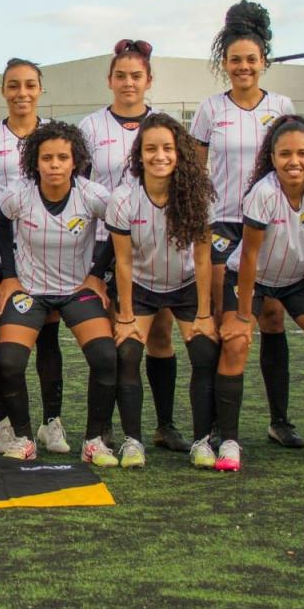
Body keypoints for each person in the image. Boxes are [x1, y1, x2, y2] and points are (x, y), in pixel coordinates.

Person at [216, 115, 304, 471]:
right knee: (236, 343)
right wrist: (243, 315)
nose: (293, 161)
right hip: (251, 277)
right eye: (284, 154)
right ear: (272, 157)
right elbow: (249, 255)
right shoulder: (263, 193)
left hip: (300, 278)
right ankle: (228, 441)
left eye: (302, 153)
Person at [190, 1, 303, 448]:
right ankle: (220, 424)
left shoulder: (282, 106)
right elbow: (196, 174)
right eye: (235, 60)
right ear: (225, 64)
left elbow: (296, 162)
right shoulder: (208, 110)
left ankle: (279, 419)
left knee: (272, 317)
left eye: (251, 60)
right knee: (226, 322)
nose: (243, 67)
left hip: (270, 224)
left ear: (264, 63)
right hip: (224, 225)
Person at [80, 39, 188, 453]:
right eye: (121, 76)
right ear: (110, 80)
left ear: (149, 80)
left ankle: (164, 424)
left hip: (155, 242)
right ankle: (106, 427)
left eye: (136, 76)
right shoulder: (91, 126)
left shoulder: (164, 123)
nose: (128, 83)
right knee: (114, 336)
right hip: (108, 243)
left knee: (160, 332)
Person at [0, 121, 114, 463]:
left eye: (63, 157)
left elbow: (121, 229)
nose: (55, 164)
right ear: (35, 161)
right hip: (30, 290)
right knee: (10, 361)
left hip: (76, 290)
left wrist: (97, 274)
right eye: (47, 157)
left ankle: (94, 442)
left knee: (105, 357)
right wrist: (9, 277)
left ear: (75, 160)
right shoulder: (18, 194)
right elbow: (1, 227)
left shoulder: (93, 195)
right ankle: (24, 438)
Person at [107, 113, 220, 469]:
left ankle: (202, 441)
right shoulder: (124, 198)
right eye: (151, 148)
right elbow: (122, 262)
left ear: (179, 153)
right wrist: (125, 315)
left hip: (184, 285)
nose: (160, 156)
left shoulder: (196, 195)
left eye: (168, 148)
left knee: (204, 352)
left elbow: (203, 258)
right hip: (140, 286)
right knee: (126, 353)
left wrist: (204, 313)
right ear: (138, 154)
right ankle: (132, 441)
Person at [0, 58, 69, 455]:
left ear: (41, 89)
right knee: (6, 342)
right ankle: (8, 424)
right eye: (13, 86)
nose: (22, 93)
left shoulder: (54, 136)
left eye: (29, 85)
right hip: (3, 253)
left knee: (47, 337)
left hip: (46, 252)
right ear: (3, 91)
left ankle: (51, 422)